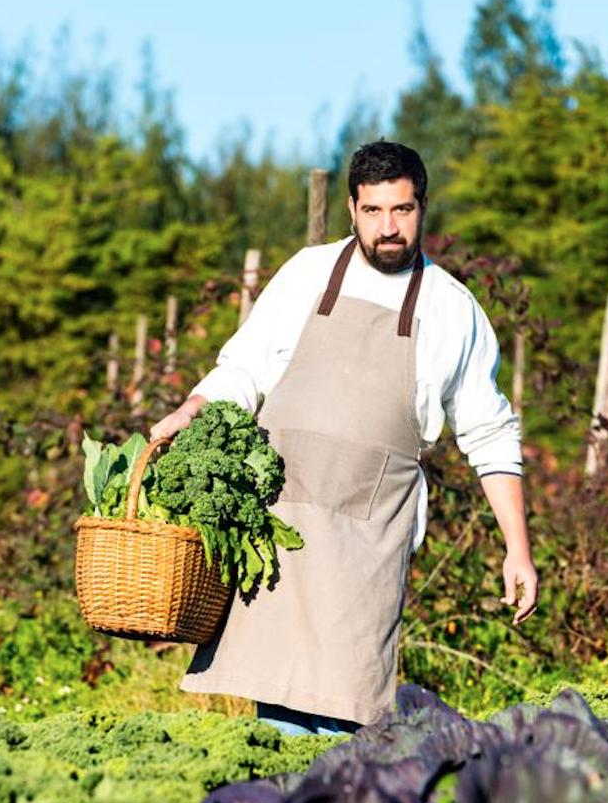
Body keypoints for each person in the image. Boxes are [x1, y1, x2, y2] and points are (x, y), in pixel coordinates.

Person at [149, 140, 537, 736]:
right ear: (352, 209)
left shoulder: (452, 310)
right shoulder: (306, 275)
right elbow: (244, 370)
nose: (388, 228)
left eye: (402, 210)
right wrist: (192, 407)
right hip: (277, 533)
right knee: (275, 720)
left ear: (423, 207)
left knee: (349, 727)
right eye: (373, 211)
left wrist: (518, 549)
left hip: (368, 546)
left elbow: (490, 435)